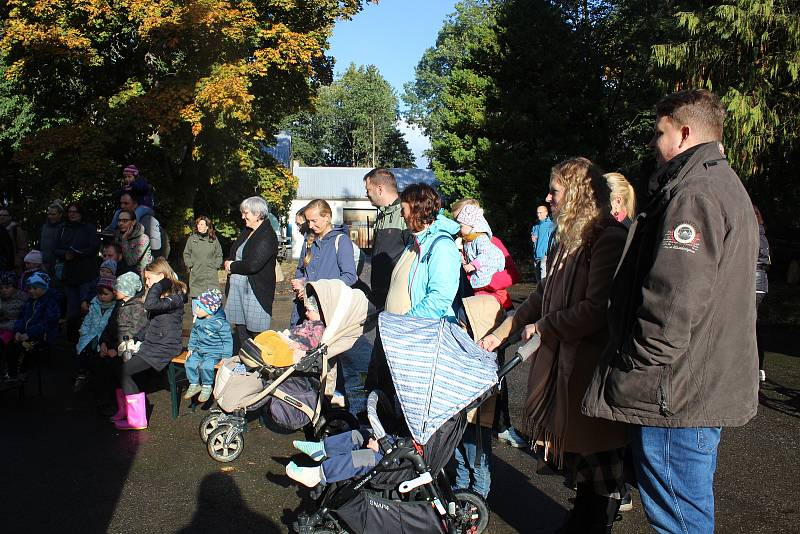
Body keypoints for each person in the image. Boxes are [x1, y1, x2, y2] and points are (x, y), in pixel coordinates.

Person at [582, 89, 759, 534]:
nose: (653, 145)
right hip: (689, 385)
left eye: (659, 133)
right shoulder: (719, 185)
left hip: (674, 391)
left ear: (683, 132)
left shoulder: (695, 194)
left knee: (679, 518)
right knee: (686, 510)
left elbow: (674, 298)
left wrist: (636, 366)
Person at [480, 157, 629, 532]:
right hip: (566, 373)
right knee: (583, 472)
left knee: (599, 472)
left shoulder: (607, 238)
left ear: (577, 193)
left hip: (592, 375)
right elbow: (542, 294)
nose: (548, 196)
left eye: (555, 190)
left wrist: (546, 327)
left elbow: (596, 310)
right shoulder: (567, 239)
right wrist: (503, 331)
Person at [370, 184, 462, 399]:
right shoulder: (416, 240)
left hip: (420, 338)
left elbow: (440, 298)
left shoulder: (441, 245)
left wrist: (406, 323)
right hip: (404, 337)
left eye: (404, 210)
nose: (402, 215)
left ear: (417, 208)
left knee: (414, 401)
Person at [115, 259, 187, 430]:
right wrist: (136, 339)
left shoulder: (175, 297)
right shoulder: (164, 296)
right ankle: (127, 411)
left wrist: (163, 282)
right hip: (153, 344)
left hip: (164, 347)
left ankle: (136, 419)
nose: (146, 283)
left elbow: (150, 305)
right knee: (122, 368)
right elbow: (151, 324)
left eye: (149, 279)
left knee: (126, 371)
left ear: (161, 277)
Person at [290, 199, 358, 326]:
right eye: (308, 221)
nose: (309, 226)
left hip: (327, 311)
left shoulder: (341, 241)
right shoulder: (308, 241)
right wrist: (300, 284)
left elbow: (350, 276)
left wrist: (318, 291)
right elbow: (300, 270)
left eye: (314, 221)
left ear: (326, 217)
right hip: (304, 310)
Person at [224, 196, 279, 348]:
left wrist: (232, 266)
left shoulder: (267, 235)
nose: (243, 216)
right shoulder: (248, 231)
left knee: (258, 335)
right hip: (238, 290)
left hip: (255, 291)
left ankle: (259, 368)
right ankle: (245, 365)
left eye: (246, 213)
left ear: (257, 214)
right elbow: (236, 252)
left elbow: (254, 264)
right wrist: (229, 261)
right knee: (241, 331)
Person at [99, 272, 149, 422]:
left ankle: (135, 414)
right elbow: (110, 326)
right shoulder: (118, 305)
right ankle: (123, 409)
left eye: (118, 288)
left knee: (121, 372)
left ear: (127, 290)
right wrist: (104, 342)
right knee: (106, 370)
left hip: (129, 348)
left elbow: (134, 332)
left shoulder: (138, 307)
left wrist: (116, 348)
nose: (114, 291)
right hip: (116, 347)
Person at [55, 203, 101, 341]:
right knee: (72, 309)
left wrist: (79, 253)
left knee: (87, 307)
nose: (72, 214)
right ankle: (72, 339)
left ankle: (88, 339)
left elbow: (94, 247)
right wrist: (65, 254)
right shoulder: (63, 228)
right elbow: (55, 248)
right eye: (70, 211)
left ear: (81, 213)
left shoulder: (89, 229)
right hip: (69, 274)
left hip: (86, 274)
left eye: (75, 211)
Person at [286, 430, 384, 487]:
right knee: (361, 435)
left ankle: (316, 475)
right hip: (392, 448)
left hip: (395, 467)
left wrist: (383, 447)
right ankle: (320, 449)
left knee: (366, 458)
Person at [184, 289, 233, 403]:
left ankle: (207, 386)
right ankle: (194, 383)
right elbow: (194, 334)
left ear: (210, 310)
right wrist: (191, 348)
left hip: (214, 352)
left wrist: (226, 356)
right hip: (199, 350)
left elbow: (227, 341)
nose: (196, 309)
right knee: (190, 363)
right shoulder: (199, 321)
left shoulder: (220, 323)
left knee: (206, 366)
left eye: (200, 307)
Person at [10, 272, 60, 381]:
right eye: (29, 288)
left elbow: (47, 324)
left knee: (26, 346)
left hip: (43, 335)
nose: (31, 291)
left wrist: (29, 334)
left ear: (44, 288)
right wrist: (18, 331)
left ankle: (23, 371)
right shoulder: (29, 302)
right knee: (12, 343)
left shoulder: (50, 303)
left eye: (35, 288)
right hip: (27, 333)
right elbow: (21, 318)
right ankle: (11, 371)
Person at [74, 275, 117, 391]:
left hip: (103, 338)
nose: (102, 297)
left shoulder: (115, 307)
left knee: (98, 359)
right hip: (90, 335)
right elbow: (87, 320)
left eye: (105, 294)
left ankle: (93, 379)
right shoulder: (94, 304)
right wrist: (83, 332)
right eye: (99, 294)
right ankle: (82, 375)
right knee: (83, 353)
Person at [455, 204, 505, 297]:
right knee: (480, 293)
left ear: (471, 226)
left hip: (489, 269)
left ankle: (507, 308)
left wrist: (473, 265)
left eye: (461, 226)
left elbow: (485, 254)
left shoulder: (480, 238)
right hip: (479, 272)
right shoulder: (468, 239)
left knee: (495, 292)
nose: (459, 229)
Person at [183, 216, 223, 307]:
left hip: (211, 276)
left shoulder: (214, 239)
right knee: (197, 310)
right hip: (196, 275)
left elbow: (219, 254)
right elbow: (186, 254)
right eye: (198, 224)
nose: (199, 226)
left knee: (211, 309)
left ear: (207, 226)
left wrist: (216, 266)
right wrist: (190, 266)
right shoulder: (192, 239)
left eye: (202, 224)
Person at [754, 204, 770, 382]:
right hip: (759, 284)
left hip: (752, 284)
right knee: (753, 325)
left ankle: (757, 365)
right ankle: (758, 366)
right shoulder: (761, 233)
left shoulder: (754, 233)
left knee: (750, 326)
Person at [0, 271, 26, 381]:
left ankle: (7, 372)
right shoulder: (1, 299)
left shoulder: (23, 299)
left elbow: (24, 318)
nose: (4, 290)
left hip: (13, 329)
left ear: (15, 286)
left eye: (7, 287)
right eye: (1, 288)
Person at [114, 208, 152, 274]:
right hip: (122, 272)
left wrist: (124, 239)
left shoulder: (143, 238)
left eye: (125, 221)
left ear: (133, 222)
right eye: (119, 220)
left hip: (141, 276)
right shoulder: (118, 235)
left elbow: (131, 262)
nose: (120, 223)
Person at [531, 204, 554, 283]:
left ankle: (545, 294)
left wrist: (549, 254)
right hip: (536, 256)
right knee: (538, 283)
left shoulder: (551, 225)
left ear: (546, 213)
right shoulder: (536, 226)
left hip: (545, 256)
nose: (538, 215)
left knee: (544, 281)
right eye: (537, 213)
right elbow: (534, 239)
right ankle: (541, 294)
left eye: (540, 213)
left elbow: (554, 240)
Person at [0, 207, 28, 273]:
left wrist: (17, 263)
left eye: (5, 215)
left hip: (11, 267)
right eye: (0, 215)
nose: (2, 217)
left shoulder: (16, 230)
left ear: (10, 217)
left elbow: (22, 248)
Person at [39, 202, 64, 276]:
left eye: (53, 214)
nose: (50, 216)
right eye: (49, 214)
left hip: (59, 265)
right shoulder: (44, 227)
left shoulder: (65, 228)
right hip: (44, 265)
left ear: (60, 215)